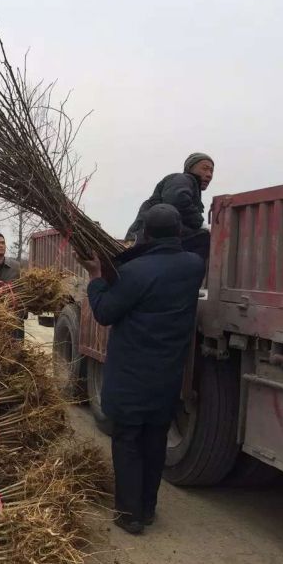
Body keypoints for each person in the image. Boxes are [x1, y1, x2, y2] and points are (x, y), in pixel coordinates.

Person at [80, 204, 205, 535]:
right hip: (166, 376)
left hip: (132, 376)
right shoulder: (193, 267)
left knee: (127, 441)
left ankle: (129, 514)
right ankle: (147, 509)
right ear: (178, 232)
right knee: (154, 440)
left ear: (145, 234)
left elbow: (105, 312)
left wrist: (96, 277)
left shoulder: (135, 273)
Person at [125, 152, 214, 262]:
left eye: (211, 171)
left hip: (147, 242)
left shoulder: (190, 190)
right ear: (190, 168)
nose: (209, 174)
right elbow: (177, 199)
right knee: (205, 237)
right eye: (205, 169)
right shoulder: (182, 179)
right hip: (145, 241)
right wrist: (202, 225)